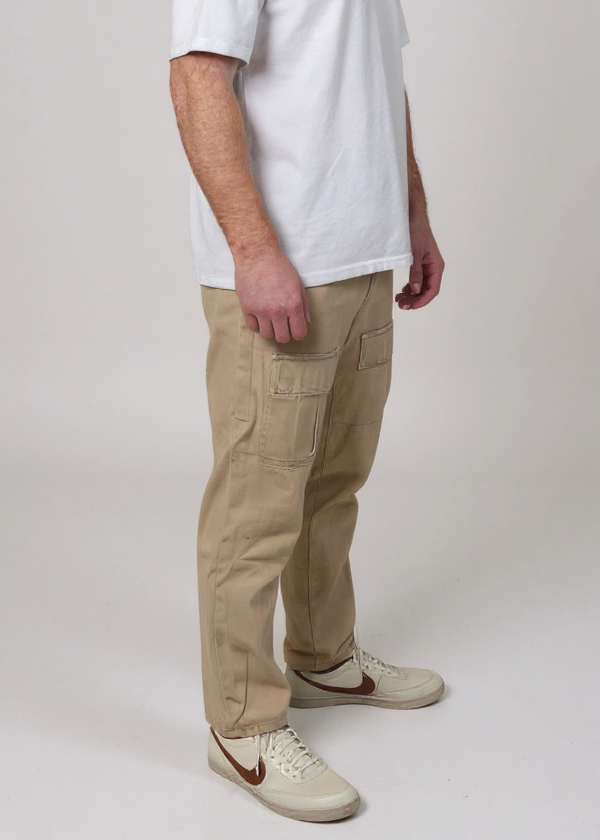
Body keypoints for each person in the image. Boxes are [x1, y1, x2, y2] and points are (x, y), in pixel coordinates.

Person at [169, 0, 446, 823]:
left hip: (362, 252)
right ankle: (242, 726)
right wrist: (254, 252)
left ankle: (323, 657)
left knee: (333, 481)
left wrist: (412, 211)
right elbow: (197, 78)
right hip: (284, 262)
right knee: (255, 507)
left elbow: (379, 83)